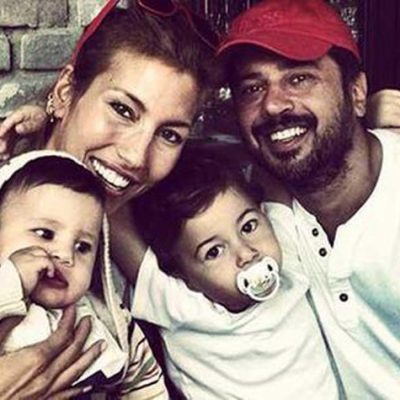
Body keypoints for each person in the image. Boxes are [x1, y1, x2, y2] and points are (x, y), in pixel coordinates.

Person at [0, 0, 217, 398]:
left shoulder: (146, 245)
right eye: (122, 109)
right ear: (65, 92)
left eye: (170, 135)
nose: (136, 156)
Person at [216, 0, 400, 397]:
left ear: (356, 93)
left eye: (299, 78)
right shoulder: (251, 219)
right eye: (252, 88)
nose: (272, 104)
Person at [121, 149, 339, 399]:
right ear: (181, 274)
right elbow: (116, 221)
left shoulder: (287, 256)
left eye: (248, 226)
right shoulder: (181, 305)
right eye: (214, 252)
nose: (246, 253)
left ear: (264, 215)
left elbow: (271, 163)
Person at [0, 150, 128, 388]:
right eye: (45, 234)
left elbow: (144, 381)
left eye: (83, 247)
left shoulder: (98, 319)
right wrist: (11, 282)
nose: (66, 256)